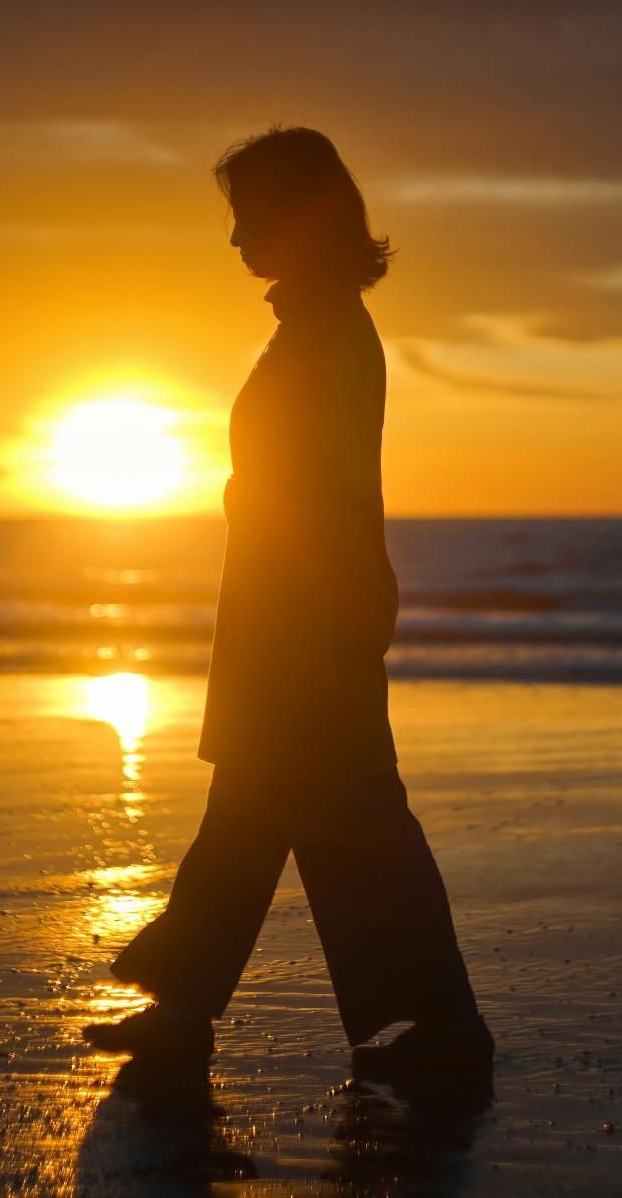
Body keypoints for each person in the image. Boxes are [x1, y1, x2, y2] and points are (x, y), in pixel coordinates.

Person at [84, 126, 492, 1083]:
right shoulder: (313, 327)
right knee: (254, 813)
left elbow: (330, 497)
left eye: (245, 217)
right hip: (293, 618)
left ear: (296, 215)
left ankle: (449, 1025)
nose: (233, 241)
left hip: (310, 624)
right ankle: (185, 1008)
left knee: (352, 820)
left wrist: (324, 625)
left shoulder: (329, 337)